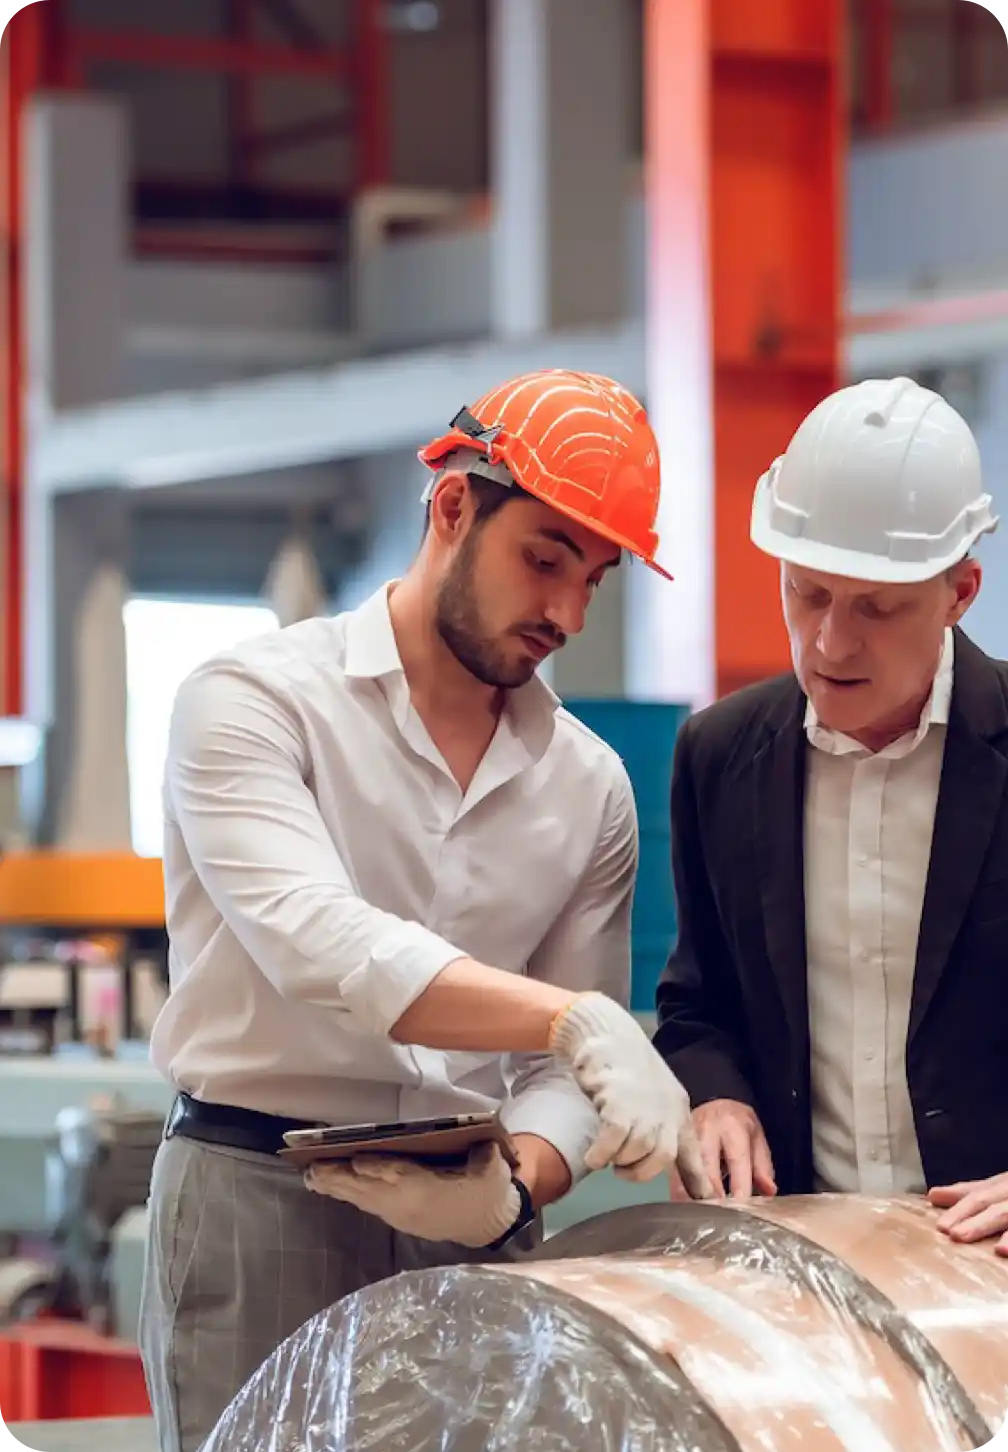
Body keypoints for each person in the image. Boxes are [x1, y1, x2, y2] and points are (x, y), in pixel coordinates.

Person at [139, 368, 712, 1452]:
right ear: (454, 505)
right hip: (258, 1196)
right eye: (545, 558)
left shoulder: (589, 788)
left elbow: (562, 1089)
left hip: (468, 1212)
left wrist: (512, 1192)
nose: (567, 613)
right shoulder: (252, 704)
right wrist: (572, 1020)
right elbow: (318, 941)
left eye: (596, 579)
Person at [654, 374, 1008, 1255]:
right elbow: (698, 1006)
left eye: (878, 608)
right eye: (806, 592)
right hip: (805, 1263)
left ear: (960, 592)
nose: (829, 644)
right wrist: (714, 1096)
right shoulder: (719, 757)